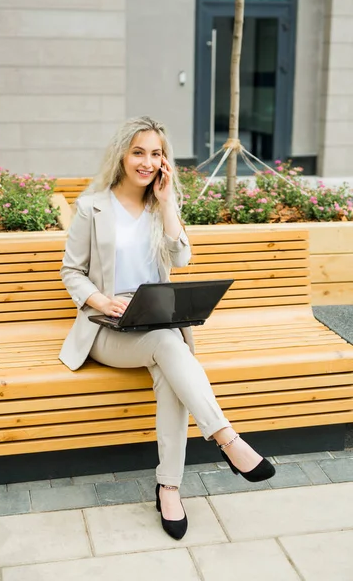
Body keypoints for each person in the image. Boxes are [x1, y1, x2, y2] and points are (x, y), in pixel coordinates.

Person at [59, 116, 275, 540]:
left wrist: (169, 203)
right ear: (122, 154)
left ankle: (169, 488)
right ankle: (227, 441)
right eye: (138, 152)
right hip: (107, 327)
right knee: (168, 345)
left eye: (155, 153)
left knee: (169, 369)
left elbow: (180, 261)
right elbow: (71, 272)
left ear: (164, 161)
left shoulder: (160, 205)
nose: (147, 161)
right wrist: (103, 301)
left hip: (155, 320)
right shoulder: (92, 206)